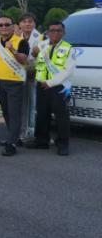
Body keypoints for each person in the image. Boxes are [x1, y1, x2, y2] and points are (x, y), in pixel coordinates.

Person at [26, 21, 76, 156]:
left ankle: (63, 144)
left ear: (63, 33)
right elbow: (32, 60)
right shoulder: (41, 45)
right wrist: (33, 54)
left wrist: (51, 82)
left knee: (61, 116)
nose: (55, 33)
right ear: (47, 33)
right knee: (42, 114)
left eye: (59, 30)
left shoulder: (69, 48)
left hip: (59, 87)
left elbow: (68, 71)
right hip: (42, 85)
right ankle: (42, 141)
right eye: (52, 30)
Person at [0, 16, 29, 156]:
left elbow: (23, 60)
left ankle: (12, 144)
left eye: (7, 24)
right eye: (0, 25)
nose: (4, 27)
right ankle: (13, 137)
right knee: (6, 111)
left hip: (15, 82)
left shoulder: (21, 41)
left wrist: (13, 50)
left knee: (14, 113)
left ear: (13, 27)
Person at [17, 13, 43, 141]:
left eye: (30, 21)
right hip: (20, 76)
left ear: (34, 24)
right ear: (19, 24)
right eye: (24, 21)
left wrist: (37, 56)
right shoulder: (17, 38)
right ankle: (22, 132)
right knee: (22, 104)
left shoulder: (42, 38)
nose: (27, 24)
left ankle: (32, 132)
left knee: (34, 104)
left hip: (35, 76)